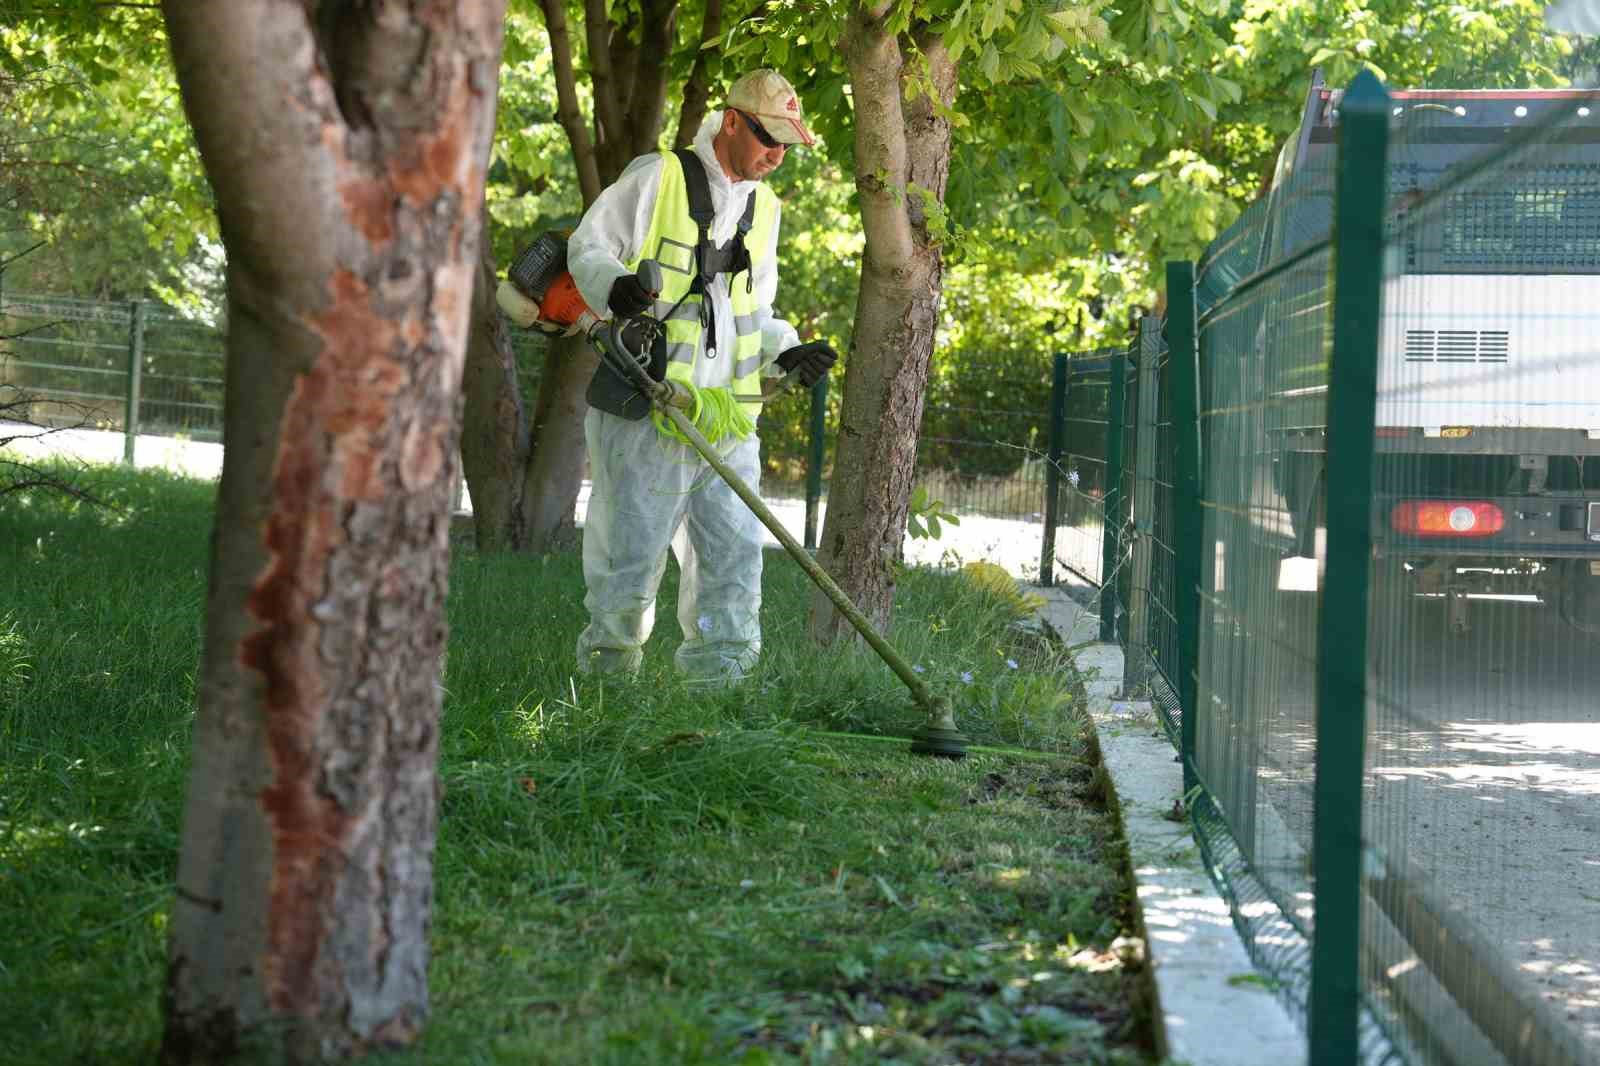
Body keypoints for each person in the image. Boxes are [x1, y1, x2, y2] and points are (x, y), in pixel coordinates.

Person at [564, 69, 837, 682]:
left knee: (732, 560)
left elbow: (750, 310)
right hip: (646, 413)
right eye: (769, 138)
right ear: (733, 120)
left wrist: (785, 350)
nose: (777, 155)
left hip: (727, 419)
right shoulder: (658, 177)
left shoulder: (764, 209)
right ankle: (607, 696)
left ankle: (721, 695)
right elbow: (587, 248)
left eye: (789, 145)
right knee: (627, 565)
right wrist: (619, 288)